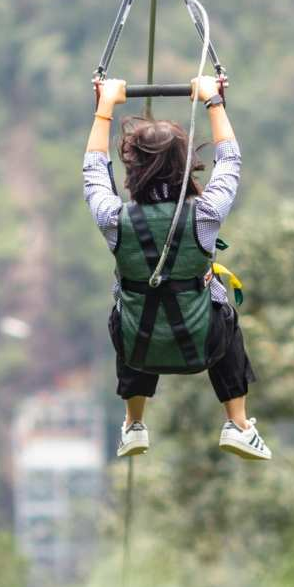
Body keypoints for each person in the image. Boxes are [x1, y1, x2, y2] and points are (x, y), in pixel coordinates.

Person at [84, 74, 270, 461]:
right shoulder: (205, 215)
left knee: (130, 312)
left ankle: (134, 423)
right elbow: (230, 160)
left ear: (133, 169)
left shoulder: (113, 219)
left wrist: (105, 107)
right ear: (186, 167)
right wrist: (212, 100)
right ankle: (237, 423)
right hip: (203, 345)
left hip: (139, 350)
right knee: (225, 314)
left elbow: (94, 174)